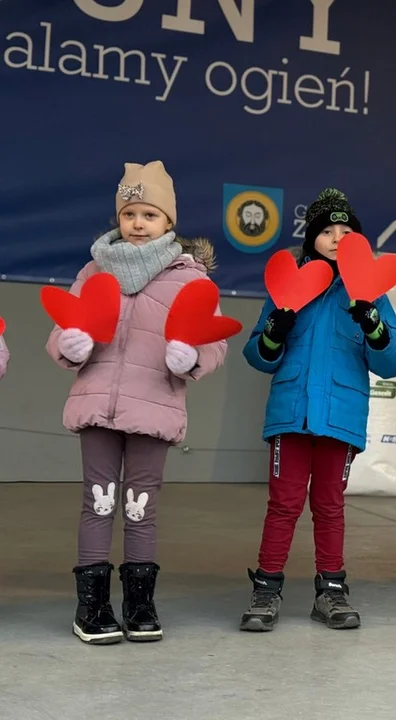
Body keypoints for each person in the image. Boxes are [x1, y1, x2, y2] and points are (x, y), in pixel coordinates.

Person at [46, 161, 227, 644]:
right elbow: (63, 328)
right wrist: (70, 344)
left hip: (153, 406)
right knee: (99, 500)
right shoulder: (93, 271)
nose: (139, 223)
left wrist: (192, 358)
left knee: (140, 504)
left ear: (169, 222)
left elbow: (214, 342)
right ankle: (92, 605)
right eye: (130, 214)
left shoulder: (189, 279)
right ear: (118, 219)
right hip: (97, 405)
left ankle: (140, 603)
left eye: (150, 214)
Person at [239, 188, 396, 632]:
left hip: (340, 417)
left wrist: (373, 324)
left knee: (330, 505)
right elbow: (257, 355)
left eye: (346, 231)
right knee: (284, 504)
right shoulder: (288, 286)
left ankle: (331, 590)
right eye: (327, 231)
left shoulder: (370, 292)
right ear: (311, 238)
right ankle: (266, 589)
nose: (337, 238)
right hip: (291, 416)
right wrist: (274, 331)